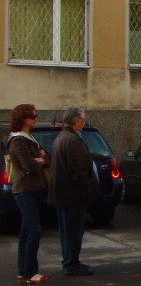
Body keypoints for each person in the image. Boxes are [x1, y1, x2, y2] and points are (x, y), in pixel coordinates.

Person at [48, 107, 101, 276]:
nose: (84, 123)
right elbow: (78, 171)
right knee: (73, 231)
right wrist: (89, 189)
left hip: (63, 194)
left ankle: (69, 261)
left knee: (67, 231)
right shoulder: (72, 141)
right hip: (72, 195)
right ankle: (71, 263)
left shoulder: (62, 138)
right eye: (83, 120)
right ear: (75, 120)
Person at [8, 104, 51, 286]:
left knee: (26, 231)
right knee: (34, 230)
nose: (35, 118)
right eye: (32, 116)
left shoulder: (29, 137)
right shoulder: (18, 140)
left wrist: (41, 159)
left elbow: (47, 156)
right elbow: (28, 165)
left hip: (32, 188)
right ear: (23, 118)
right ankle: (29, 272)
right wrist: (39, 159)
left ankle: (23, 271)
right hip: (24, 189)